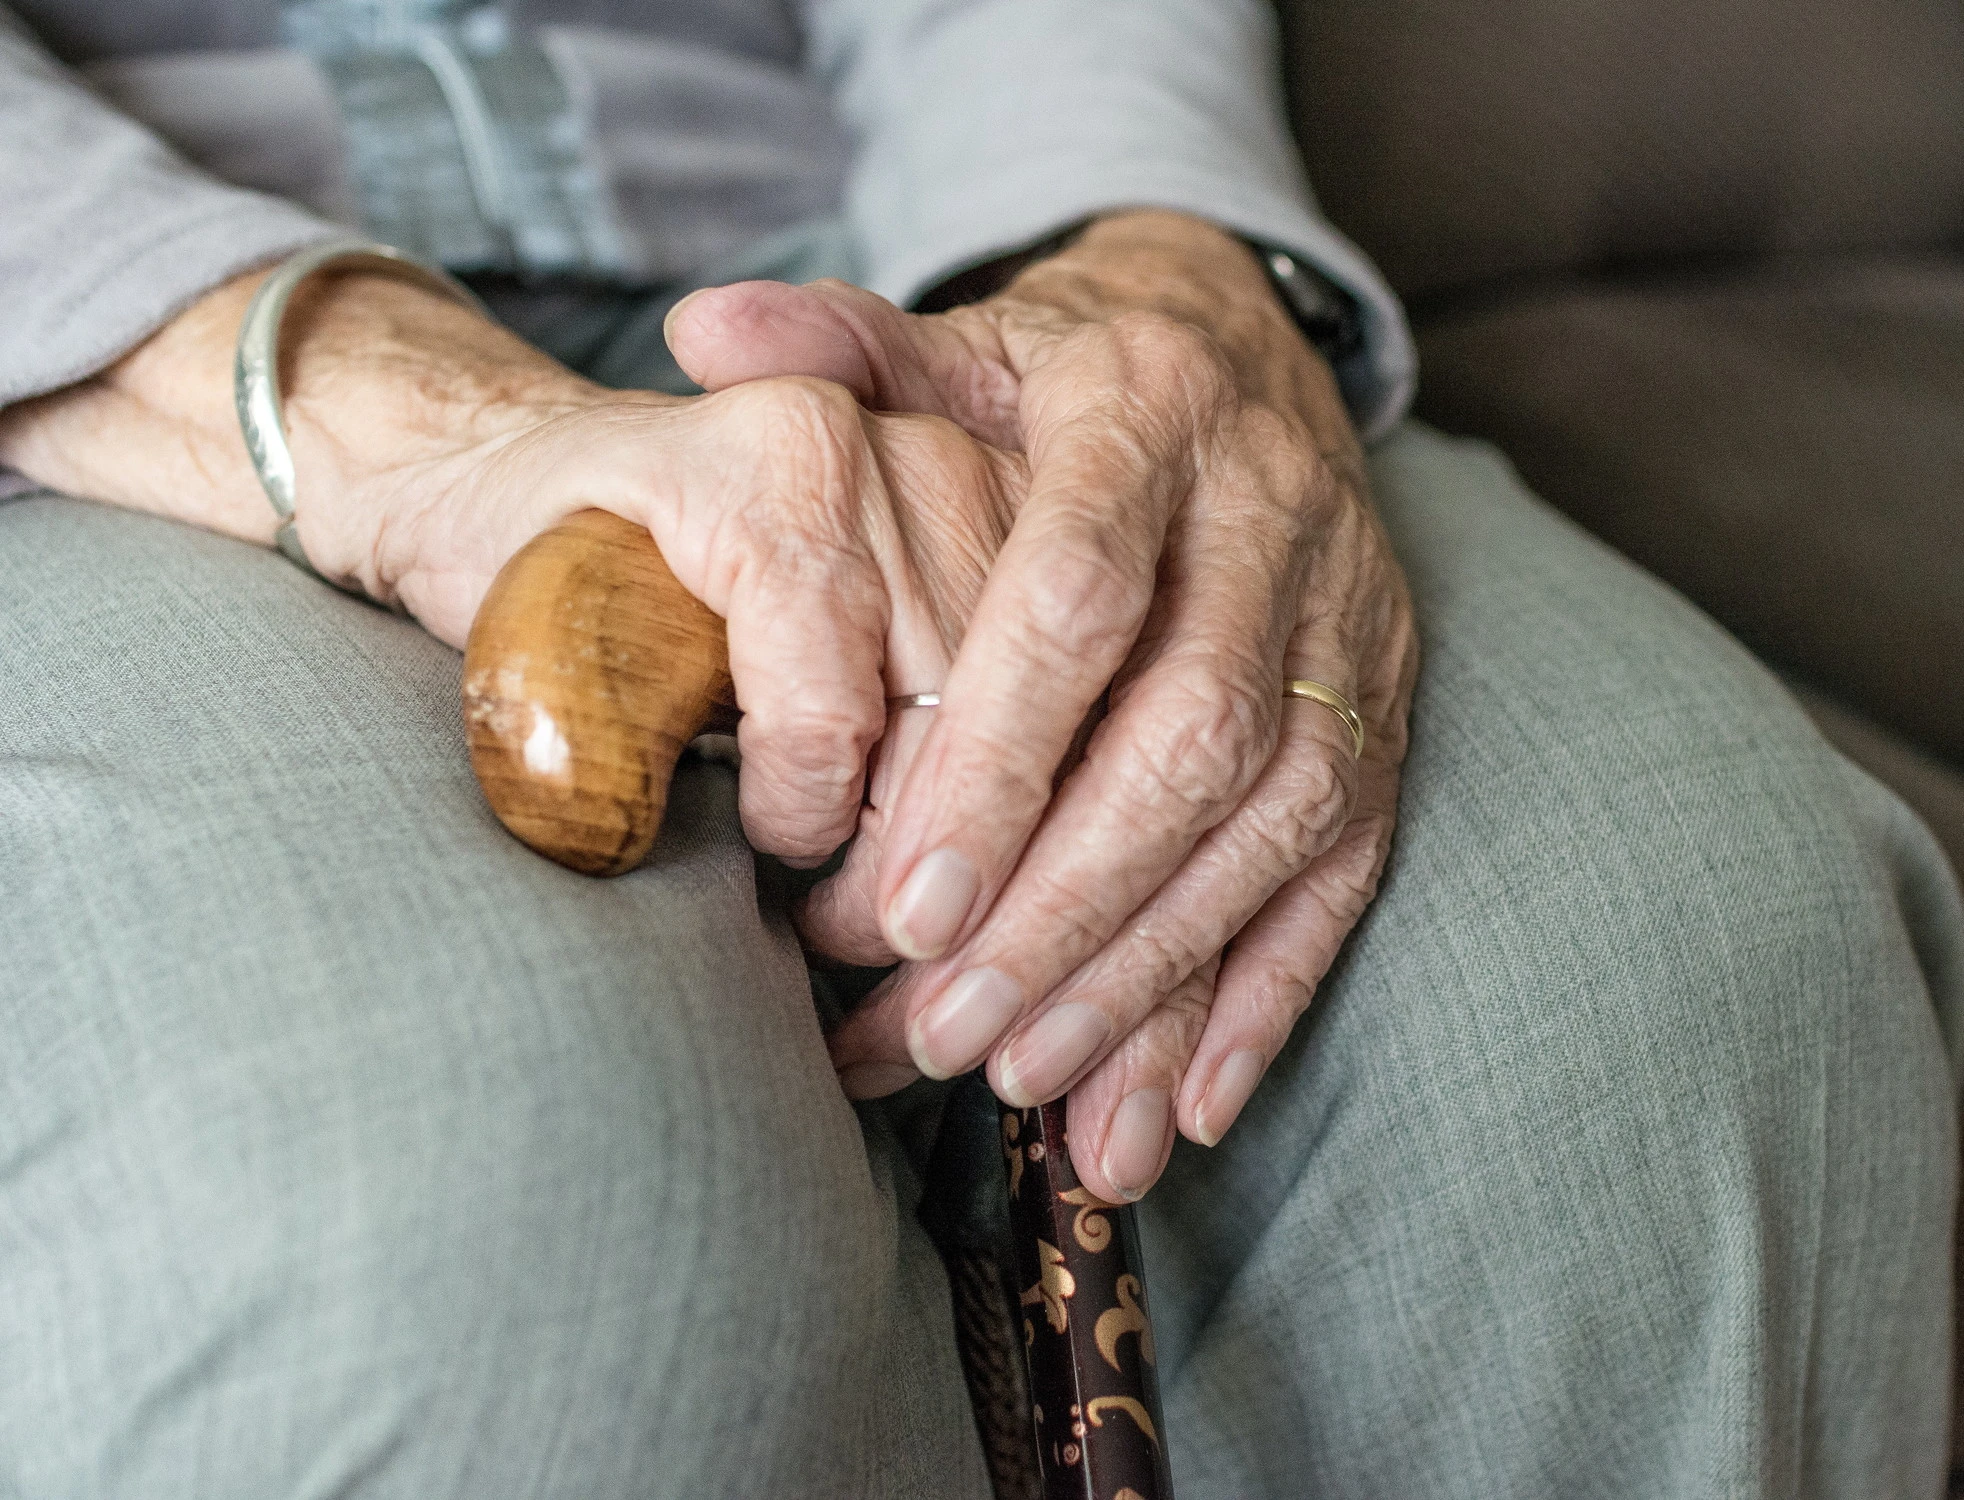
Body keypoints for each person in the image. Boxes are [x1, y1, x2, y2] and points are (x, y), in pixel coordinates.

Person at [0, 2, 1955, 1495]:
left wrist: (1148, 266)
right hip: (90, 349)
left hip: (878, 264)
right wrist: (363, 407)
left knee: (1688, 983)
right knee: (459, 1229)